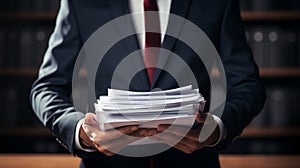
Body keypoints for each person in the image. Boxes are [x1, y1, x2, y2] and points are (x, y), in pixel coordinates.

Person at [30, 0, 266, 167]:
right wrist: (82, 131)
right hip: (107, 165)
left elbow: (247, 84)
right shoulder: (80, 3)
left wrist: (217, 128)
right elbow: (46, 88)